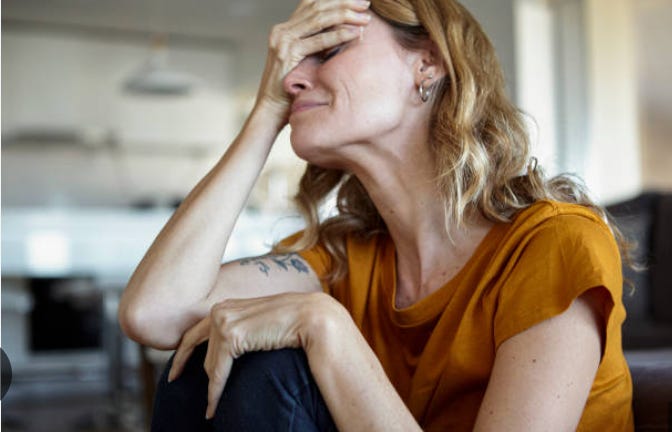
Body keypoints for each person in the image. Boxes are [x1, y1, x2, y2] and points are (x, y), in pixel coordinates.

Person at [118, 0, 635, 430]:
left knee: (263, 363)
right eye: (291, 64)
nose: (291, 78)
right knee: (209, 361)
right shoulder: (344, 261)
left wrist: (325, 327)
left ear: (426, 64)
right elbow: (154, 313)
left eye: (328, 50)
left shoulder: (554, 243)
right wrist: (266, 114)